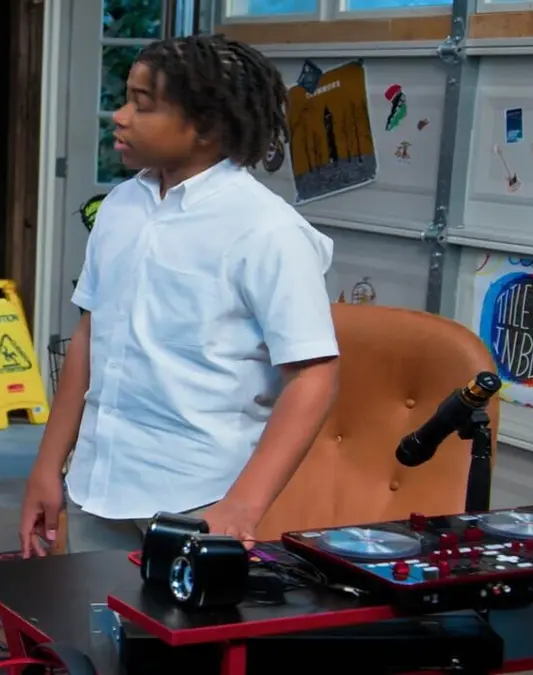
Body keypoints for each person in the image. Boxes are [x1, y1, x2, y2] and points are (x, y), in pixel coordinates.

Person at [20, 35, 341, 557]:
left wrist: (243, 505)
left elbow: (313, 376)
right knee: (90, 611)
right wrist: (47, 466)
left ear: (206, 126)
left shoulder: (268, 230)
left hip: (201, 500)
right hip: (98, 486)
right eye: (125, 99)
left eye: (142, 105)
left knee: (176, 616)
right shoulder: (119, 207)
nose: (119, 117)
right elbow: (90, 336)